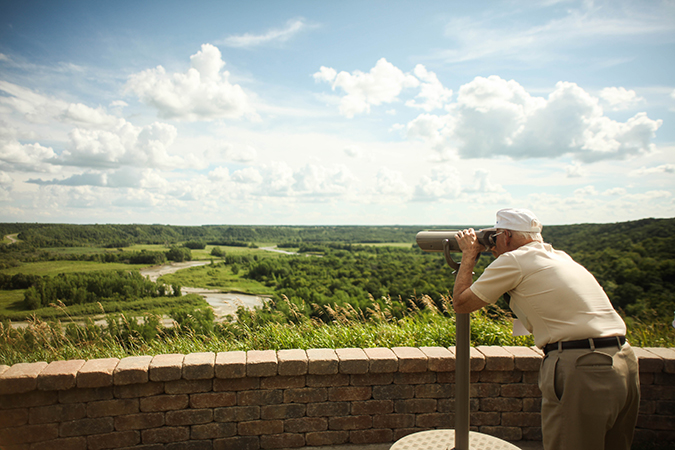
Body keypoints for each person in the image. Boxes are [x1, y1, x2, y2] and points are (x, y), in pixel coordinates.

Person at [452, 208, 640, 450]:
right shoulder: (561, 257)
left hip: (582, 367)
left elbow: (462, 303)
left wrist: (469, 254)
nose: (492, 245)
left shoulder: (514, 260)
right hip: (624, 361)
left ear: (507, 236)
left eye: (495, 237)